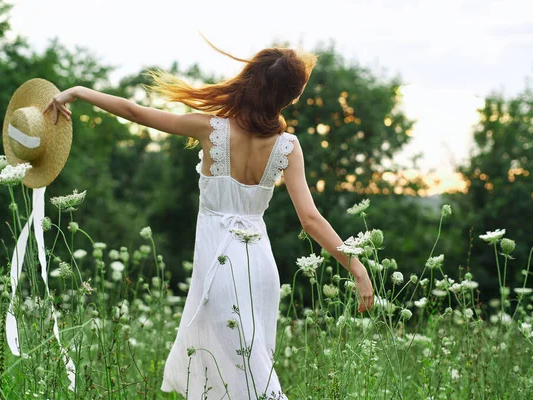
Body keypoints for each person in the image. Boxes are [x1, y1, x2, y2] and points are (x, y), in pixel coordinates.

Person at [44, 38, 374, 400]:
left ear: (250, 81)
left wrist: (78, 91)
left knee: (243, 366)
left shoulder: (211, 129)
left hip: (222, 262)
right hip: (258, 265)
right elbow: (310, 219)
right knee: (247, 362)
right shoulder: (287, 147)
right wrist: (355, 265)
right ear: (289, 97)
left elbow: (136, 112)